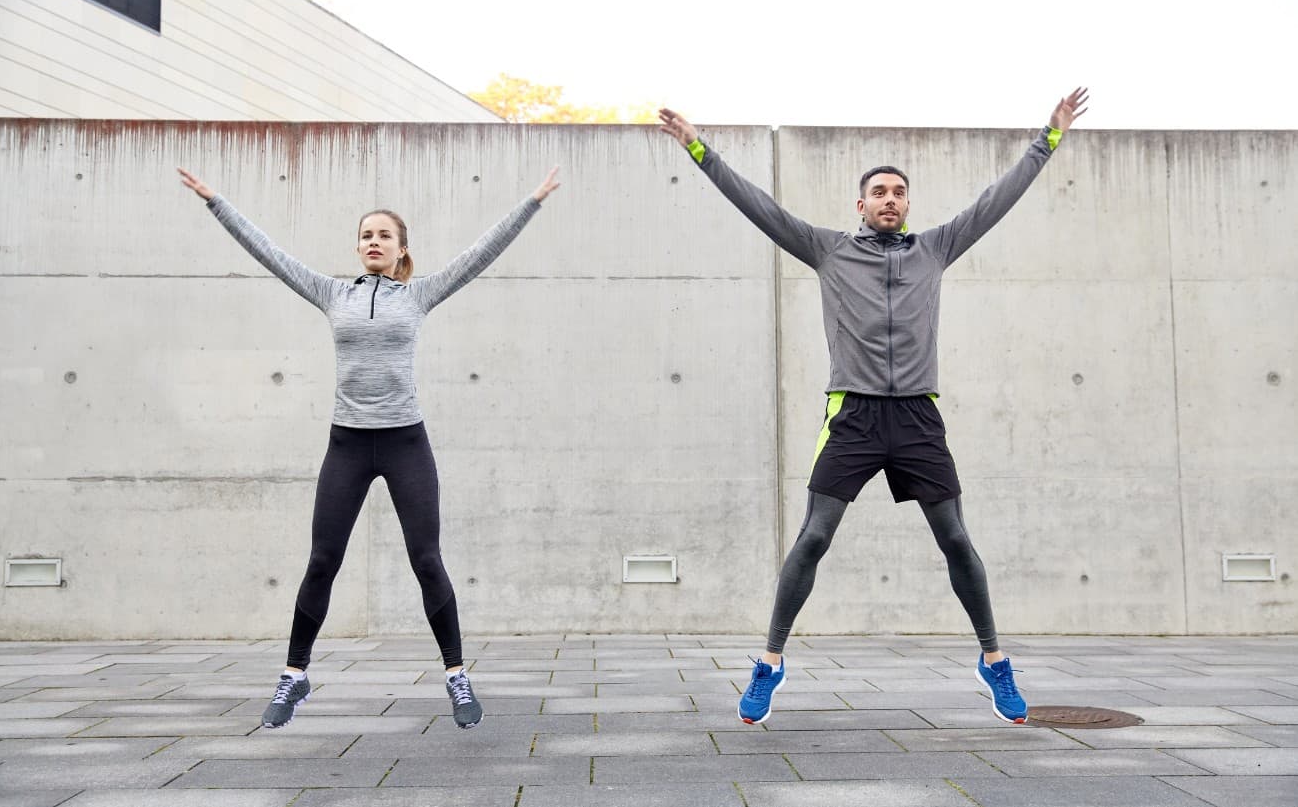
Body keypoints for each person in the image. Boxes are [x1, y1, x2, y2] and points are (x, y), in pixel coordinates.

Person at [659, 89, 1088, 725]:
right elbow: (758, 205)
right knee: (813, 537)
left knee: (957, 541)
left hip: (918, 417)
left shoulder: (935, 248)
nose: (890, 200)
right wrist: (698, 147)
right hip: (853, 416)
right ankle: (770, 663)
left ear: (907, 203)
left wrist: (1047, 139)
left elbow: (996, 200)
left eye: (899, 192)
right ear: (861, 205)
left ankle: (995, 662)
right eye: (879, 193)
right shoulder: (828, 249)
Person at [177, 165, 561, 729]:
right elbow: (270, 253)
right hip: (348, 445)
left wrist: (531, 202)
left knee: (426, 558)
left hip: (406, 442)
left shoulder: (420, 294)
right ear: (358, 248)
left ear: (402, 248)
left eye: (384, 235)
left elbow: (481, 253)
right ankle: (295, 674)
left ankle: (457, 676)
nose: (373, 242)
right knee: (322, 560)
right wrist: (216, 202)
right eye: (365, 235)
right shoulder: (332, 293)